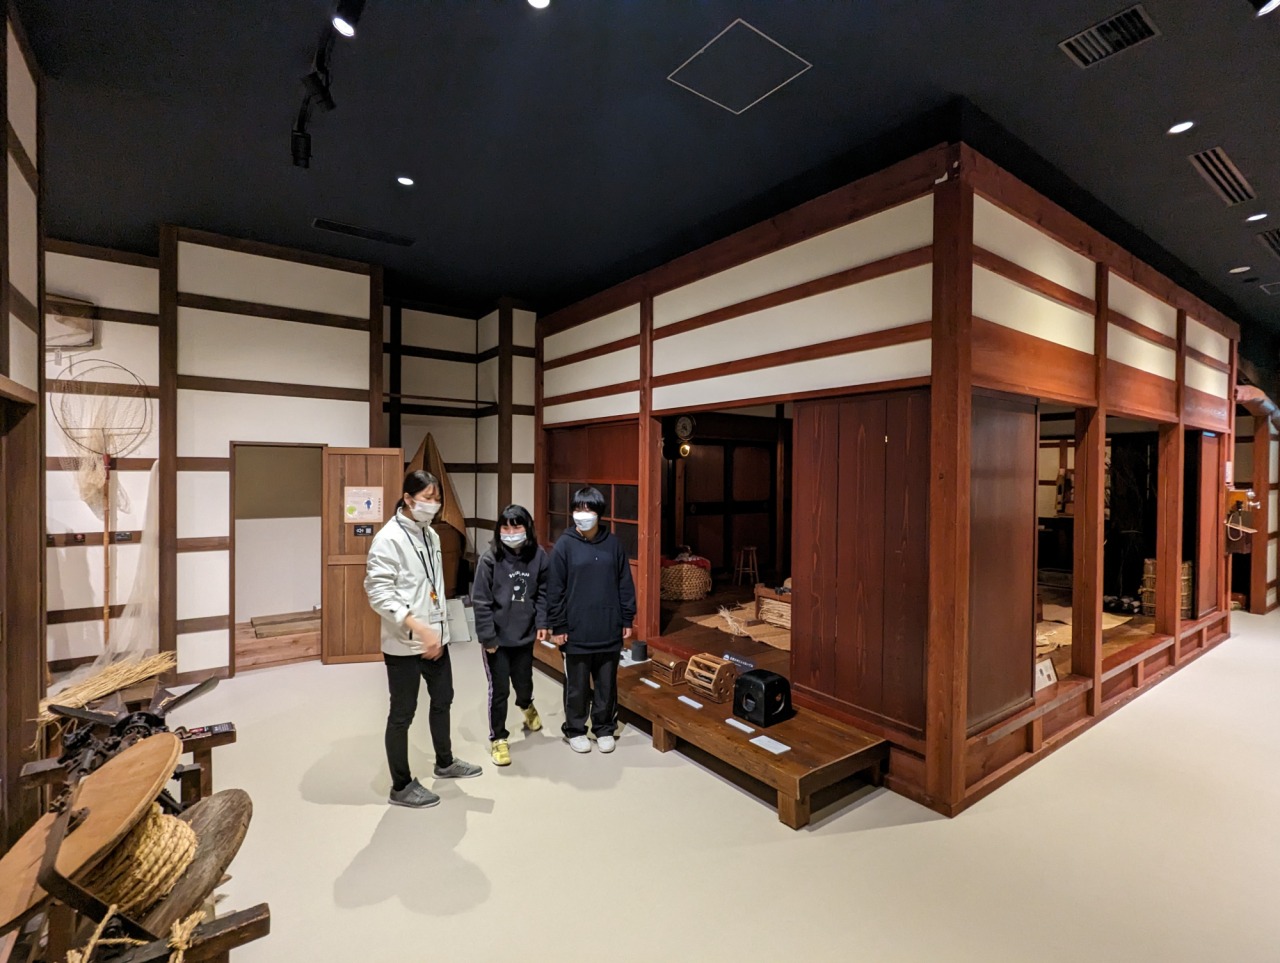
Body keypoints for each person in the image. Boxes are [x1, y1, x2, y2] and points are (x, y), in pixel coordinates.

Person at [365, 470, 481, 809]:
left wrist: (439, 629)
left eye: (437, 499)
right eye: (427, 498)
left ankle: (444, 762)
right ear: (407, 498)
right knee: (402, 714)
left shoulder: (430, 534)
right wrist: (418, 626)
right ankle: (401, 786)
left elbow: (430, 586)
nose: (434, 504)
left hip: (436, 638)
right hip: (405, 642)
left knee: (443, 699)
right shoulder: (388, 539)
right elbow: (378, 592)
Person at [546, 486, 636, 754]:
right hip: (575, 630)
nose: (582, 515)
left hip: (608, 627)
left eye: (588, 509)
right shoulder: (564, 545)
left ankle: (604, 728)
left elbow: (624, 583)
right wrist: (558, 625)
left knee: (607, 684)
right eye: (577, 509)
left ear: (599, 513)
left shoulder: (613, 544)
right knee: (577, 686)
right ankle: (575, 730)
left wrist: (627, 618)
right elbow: (554, 589)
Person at [471, 504, 551, 767]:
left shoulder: (539, 556)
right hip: (497, 639)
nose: (511, 532)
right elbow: (480, 601)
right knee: (499, 690)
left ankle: (526, 705)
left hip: (525, 635)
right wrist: (488, 637)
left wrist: (542, 622)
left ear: (527, 529)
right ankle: (499, 738)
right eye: (505, 528)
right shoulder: (489, 559)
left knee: (523, 682)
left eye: (516, 527)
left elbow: (543, 593)